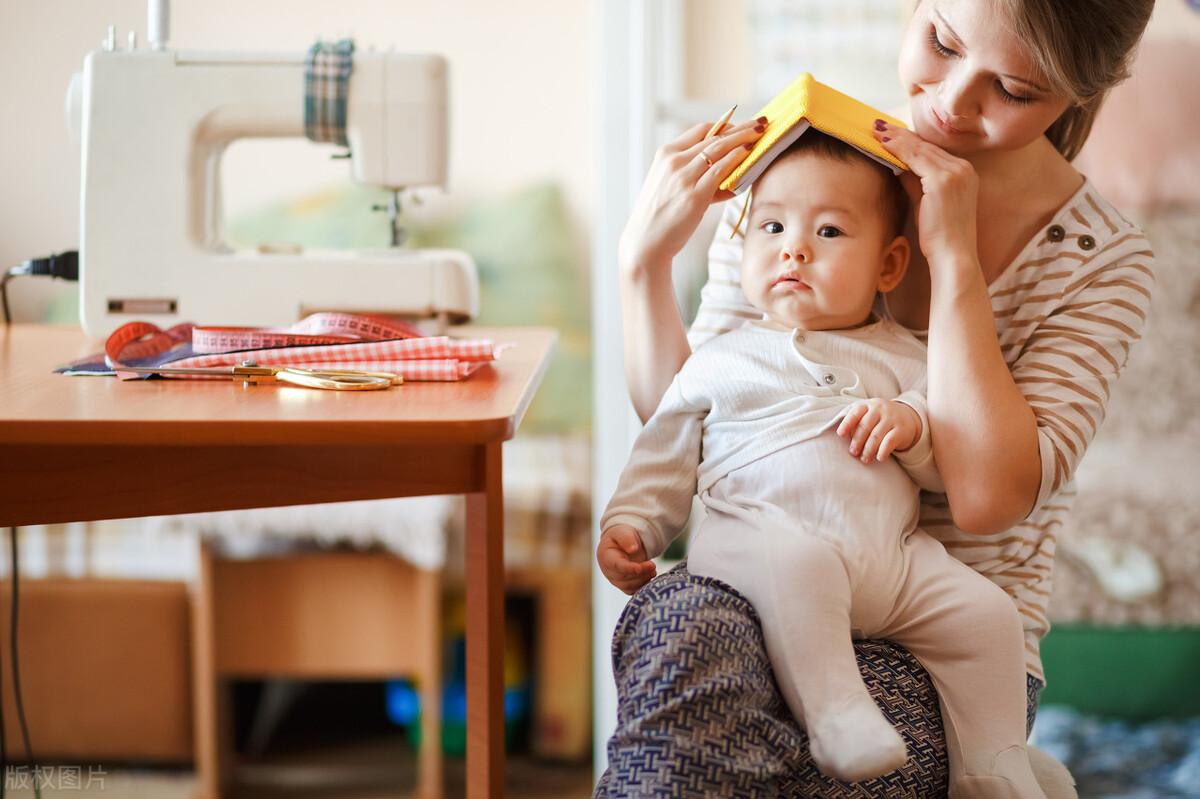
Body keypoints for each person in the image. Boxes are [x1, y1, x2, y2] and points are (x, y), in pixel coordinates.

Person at [598, 0, 1156, 795]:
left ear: (1079, 93)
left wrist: (953, 254)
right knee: (673, 634)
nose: (953, 102)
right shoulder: (806, 167)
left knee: (810, 769)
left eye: (1013, 88)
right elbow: (698, 409)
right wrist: (641, 266)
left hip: (935, 639)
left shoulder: (1101, 259)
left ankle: (997, 764)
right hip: (756, 574)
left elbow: (989, 498)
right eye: (943, 43)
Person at [599, 129, 1046, 797]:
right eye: (772, 225)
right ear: (741, 244)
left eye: (830, 231)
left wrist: (913, 424)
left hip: (891, 562)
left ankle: (994, 766)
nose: (795, 247)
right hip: (760, 542)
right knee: (800, 564)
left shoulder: (908, 358)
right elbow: (663, 452)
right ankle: (836, 716)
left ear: (890, 265)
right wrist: (633, 522)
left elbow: (948, 457)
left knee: (986, 616)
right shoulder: (720, 359)